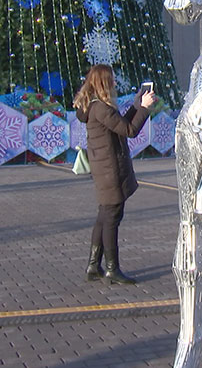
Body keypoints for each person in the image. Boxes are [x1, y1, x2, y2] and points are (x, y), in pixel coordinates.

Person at [73, 64, 157, 284]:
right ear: (103, 83)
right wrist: (145, 109)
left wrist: (137, 104)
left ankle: (93, 265)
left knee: (105, 215)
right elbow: (129, 130)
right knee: (112, 217)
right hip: (109, 170)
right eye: (111, 80)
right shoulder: (100, 108)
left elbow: (120, 123)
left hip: (104, 168)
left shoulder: (96, 107)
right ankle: (112, 269)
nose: (114, 83)